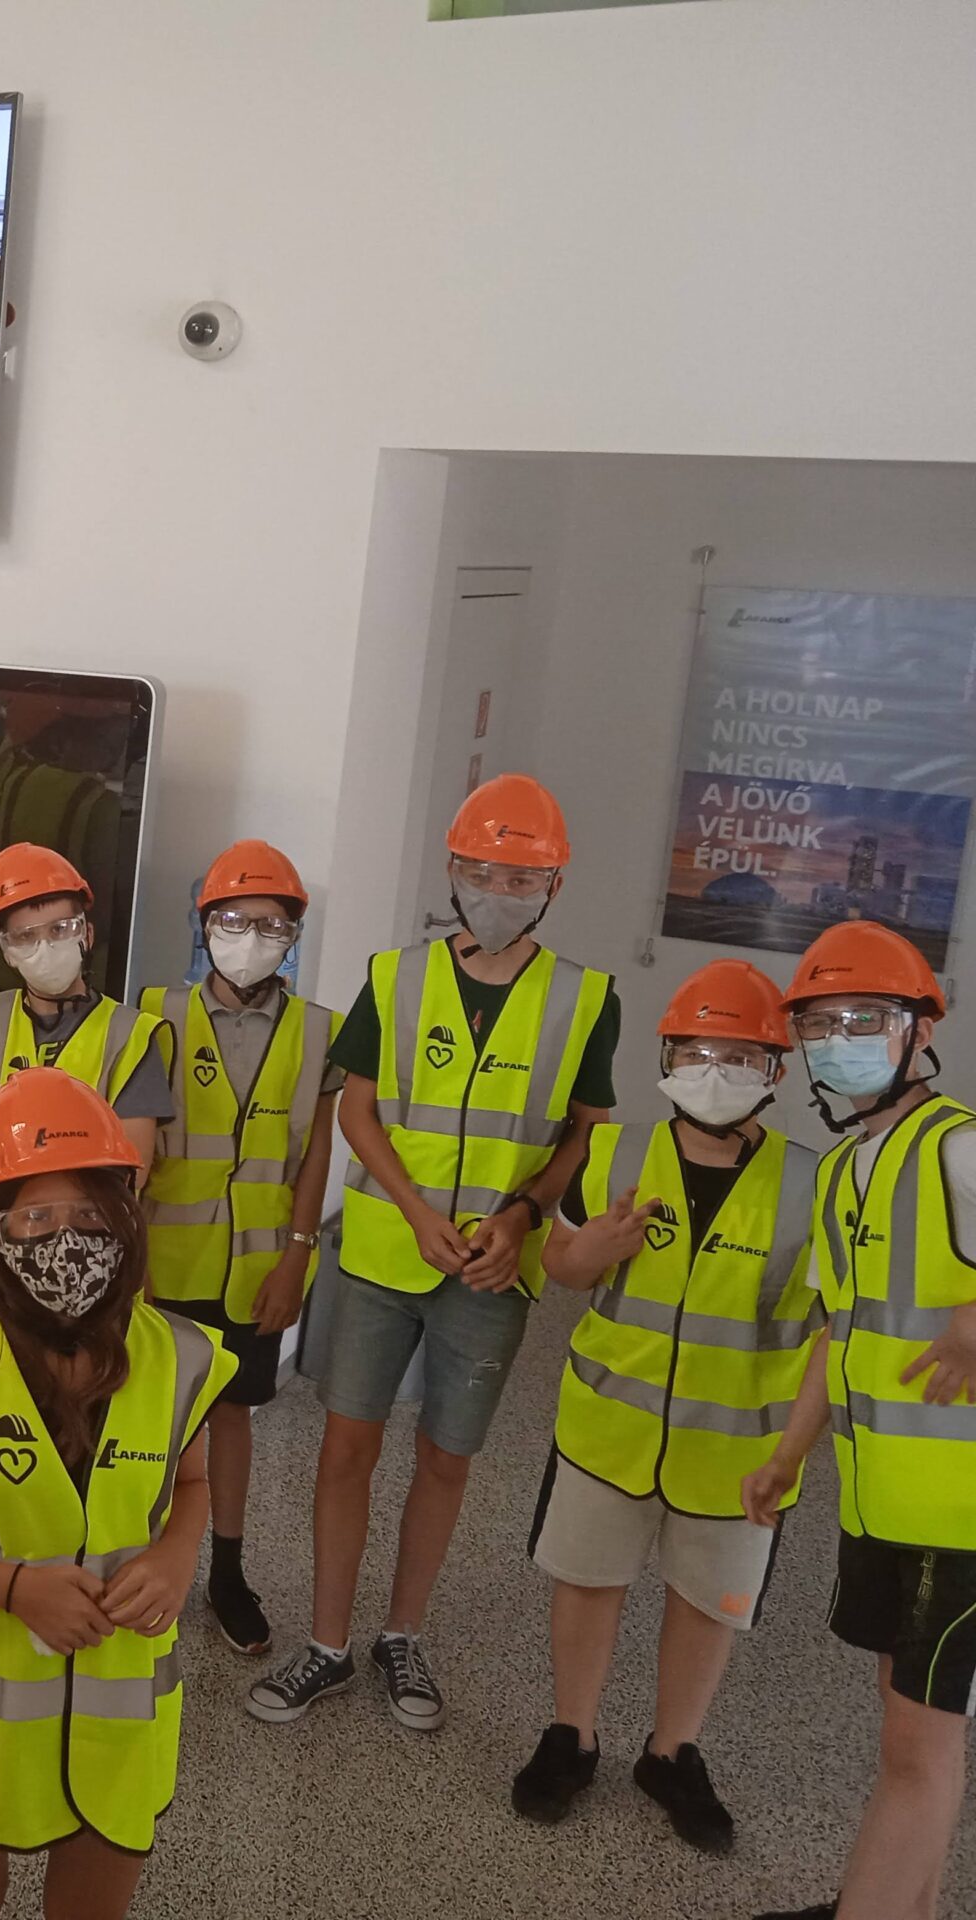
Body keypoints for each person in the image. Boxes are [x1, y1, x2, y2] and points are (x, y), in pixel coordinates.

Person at [250, 774, 618, 1733]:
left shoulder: (586, 999)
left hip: (493, 1271)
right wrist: (415, 1213)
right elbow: (356, 1110)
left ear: (554, 886)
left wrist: (524, 1215)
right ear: (452, 872)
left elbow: (585, 1133)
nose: (498, 890)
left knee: (446, 1459)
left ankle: (400, 1634)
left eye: (521, 876)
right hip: (382, 1254)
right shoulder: (394, 977)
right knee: (346, 1448)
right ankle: (328, 1643)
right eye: (481, 871)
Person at [0, 1067, 232, 1920]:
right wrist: (15, 1589)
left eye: (91, 1216)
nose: (66, 1242)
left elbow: (192, 1479)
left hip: (119, 1714)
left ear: (127, 1218)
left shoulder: (179, 1357)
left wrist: (178, 1555)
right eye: (35, 1218)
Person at [506, 958, 813, 1857]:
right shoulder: (614, 1153)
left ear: (775, 1072)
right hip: (608, 1429)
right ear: (667, 1057)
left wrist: (794, 1452)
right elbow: (560, 1268)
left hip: (738, 1455)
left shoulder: (811, 1184)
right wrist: (591, 1250)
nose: (715, 1072)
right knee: (587, 1581)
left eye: (740, 1056)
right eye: (697, 1052)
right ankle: (572, 1734)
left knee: (706, 1603)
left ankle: (672, 1752)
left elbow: (831, 1329)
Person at [741, 922, 976, 1920]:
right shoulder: (842, 1172)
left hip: (960, 1524)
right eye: (821, 1023)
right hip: (881, 1507)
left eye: (866, 1018)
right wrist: (788, 1454)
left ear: (922, 1028)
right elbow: (839, 1334)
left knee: (915, 1750)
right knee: (915, 1737)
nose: (840, 1040)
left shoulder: (959, 1146)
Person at [137, 840, 342, 1657]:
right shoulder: (156, 1016)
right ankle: (139, 1552)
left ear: (293, 935)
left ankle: (226, 1572)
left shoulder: (318, 1032)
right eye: (233, 920)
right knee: (149, 1412)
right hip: (163, 1262)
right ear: (205, 925)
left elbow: (316, 1154)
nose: (251, 938)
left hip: (258, 1269)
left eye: (271, 924)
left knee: (231, 1413)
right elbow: (134, 1145)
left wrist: (298, 1256)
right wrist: (129, 1263)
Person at [0, 844, 174, 1317]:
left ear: (87, 933)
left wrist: (75, 1267)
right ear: (6, 950)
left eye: (60, 929)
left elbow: (131, 1176)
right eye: (25, 936)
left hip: (88, 1269)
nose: (45, 947)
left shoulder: (131, 1035)